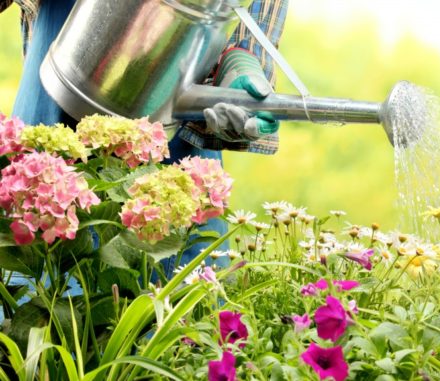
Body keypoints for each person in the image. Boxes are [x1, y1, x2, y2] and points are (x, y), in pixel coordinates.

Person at [0, 0, 288, 278]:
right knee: (41, 292)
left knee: (165, 306)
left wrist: (243, 56)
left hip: (177, 74)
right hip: (59, 80)